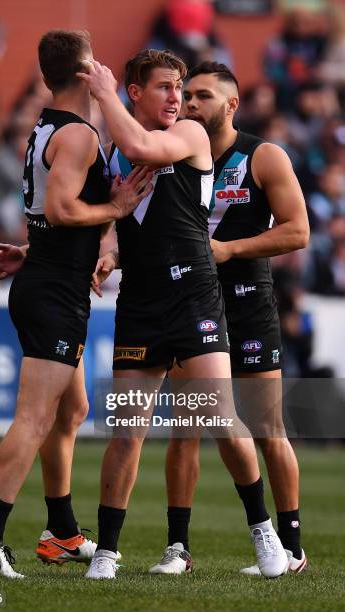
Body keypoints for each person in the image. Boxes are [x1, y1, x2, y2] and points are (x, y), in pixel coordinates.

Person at [77, 50, 288, 580]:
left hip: (194, 296)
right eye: (167, 88)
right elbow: (112, 219)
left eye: (182, 88)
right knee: (127, 430)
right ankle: (106, 550)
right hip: (141, 303)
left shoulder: (190, 135)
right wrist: (104, 248)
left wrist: (101, 94)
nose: (179, 98)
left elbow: (141, 144)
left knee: (217, 417)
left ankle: (264, 530)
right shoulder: (113, 153)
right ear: (136, 93)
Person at [0, 29, 151, 579]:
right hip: (56, 292)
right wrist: (116, 205)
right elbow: (65, 209)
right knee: (36, 417)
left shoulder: (47, 125)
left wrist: (33, 250)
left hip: (47, 278)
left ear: (46, 76)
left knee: (72, 411)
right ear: (86, 72)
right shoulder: (81, 136)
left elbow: (48, 213)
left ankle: (61, 532)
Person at [150, 61, 309, 575]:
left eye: (202, 96)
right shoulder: (172, 152)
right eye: (185, 95)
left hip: (246, 300)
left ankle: (292, 549)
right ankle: (178, 548)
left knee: (267, 427)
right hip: (190, 301)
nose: (190, 104)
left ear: (231, 105)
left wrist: (231, 248)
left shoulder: (263, 156)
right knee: (187, 426)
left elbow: (298, 231)